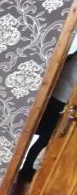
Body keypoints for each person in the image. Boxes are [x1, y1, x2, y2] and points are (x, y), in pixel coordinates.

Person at [19, 34, 77, 180]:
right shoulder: (75, 63)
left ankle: (26, 166)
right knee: (45, 138)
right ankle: (26, 168)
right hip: (59, 103)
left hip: (54, 100)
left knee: (43, 137)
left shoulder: (72, 59)